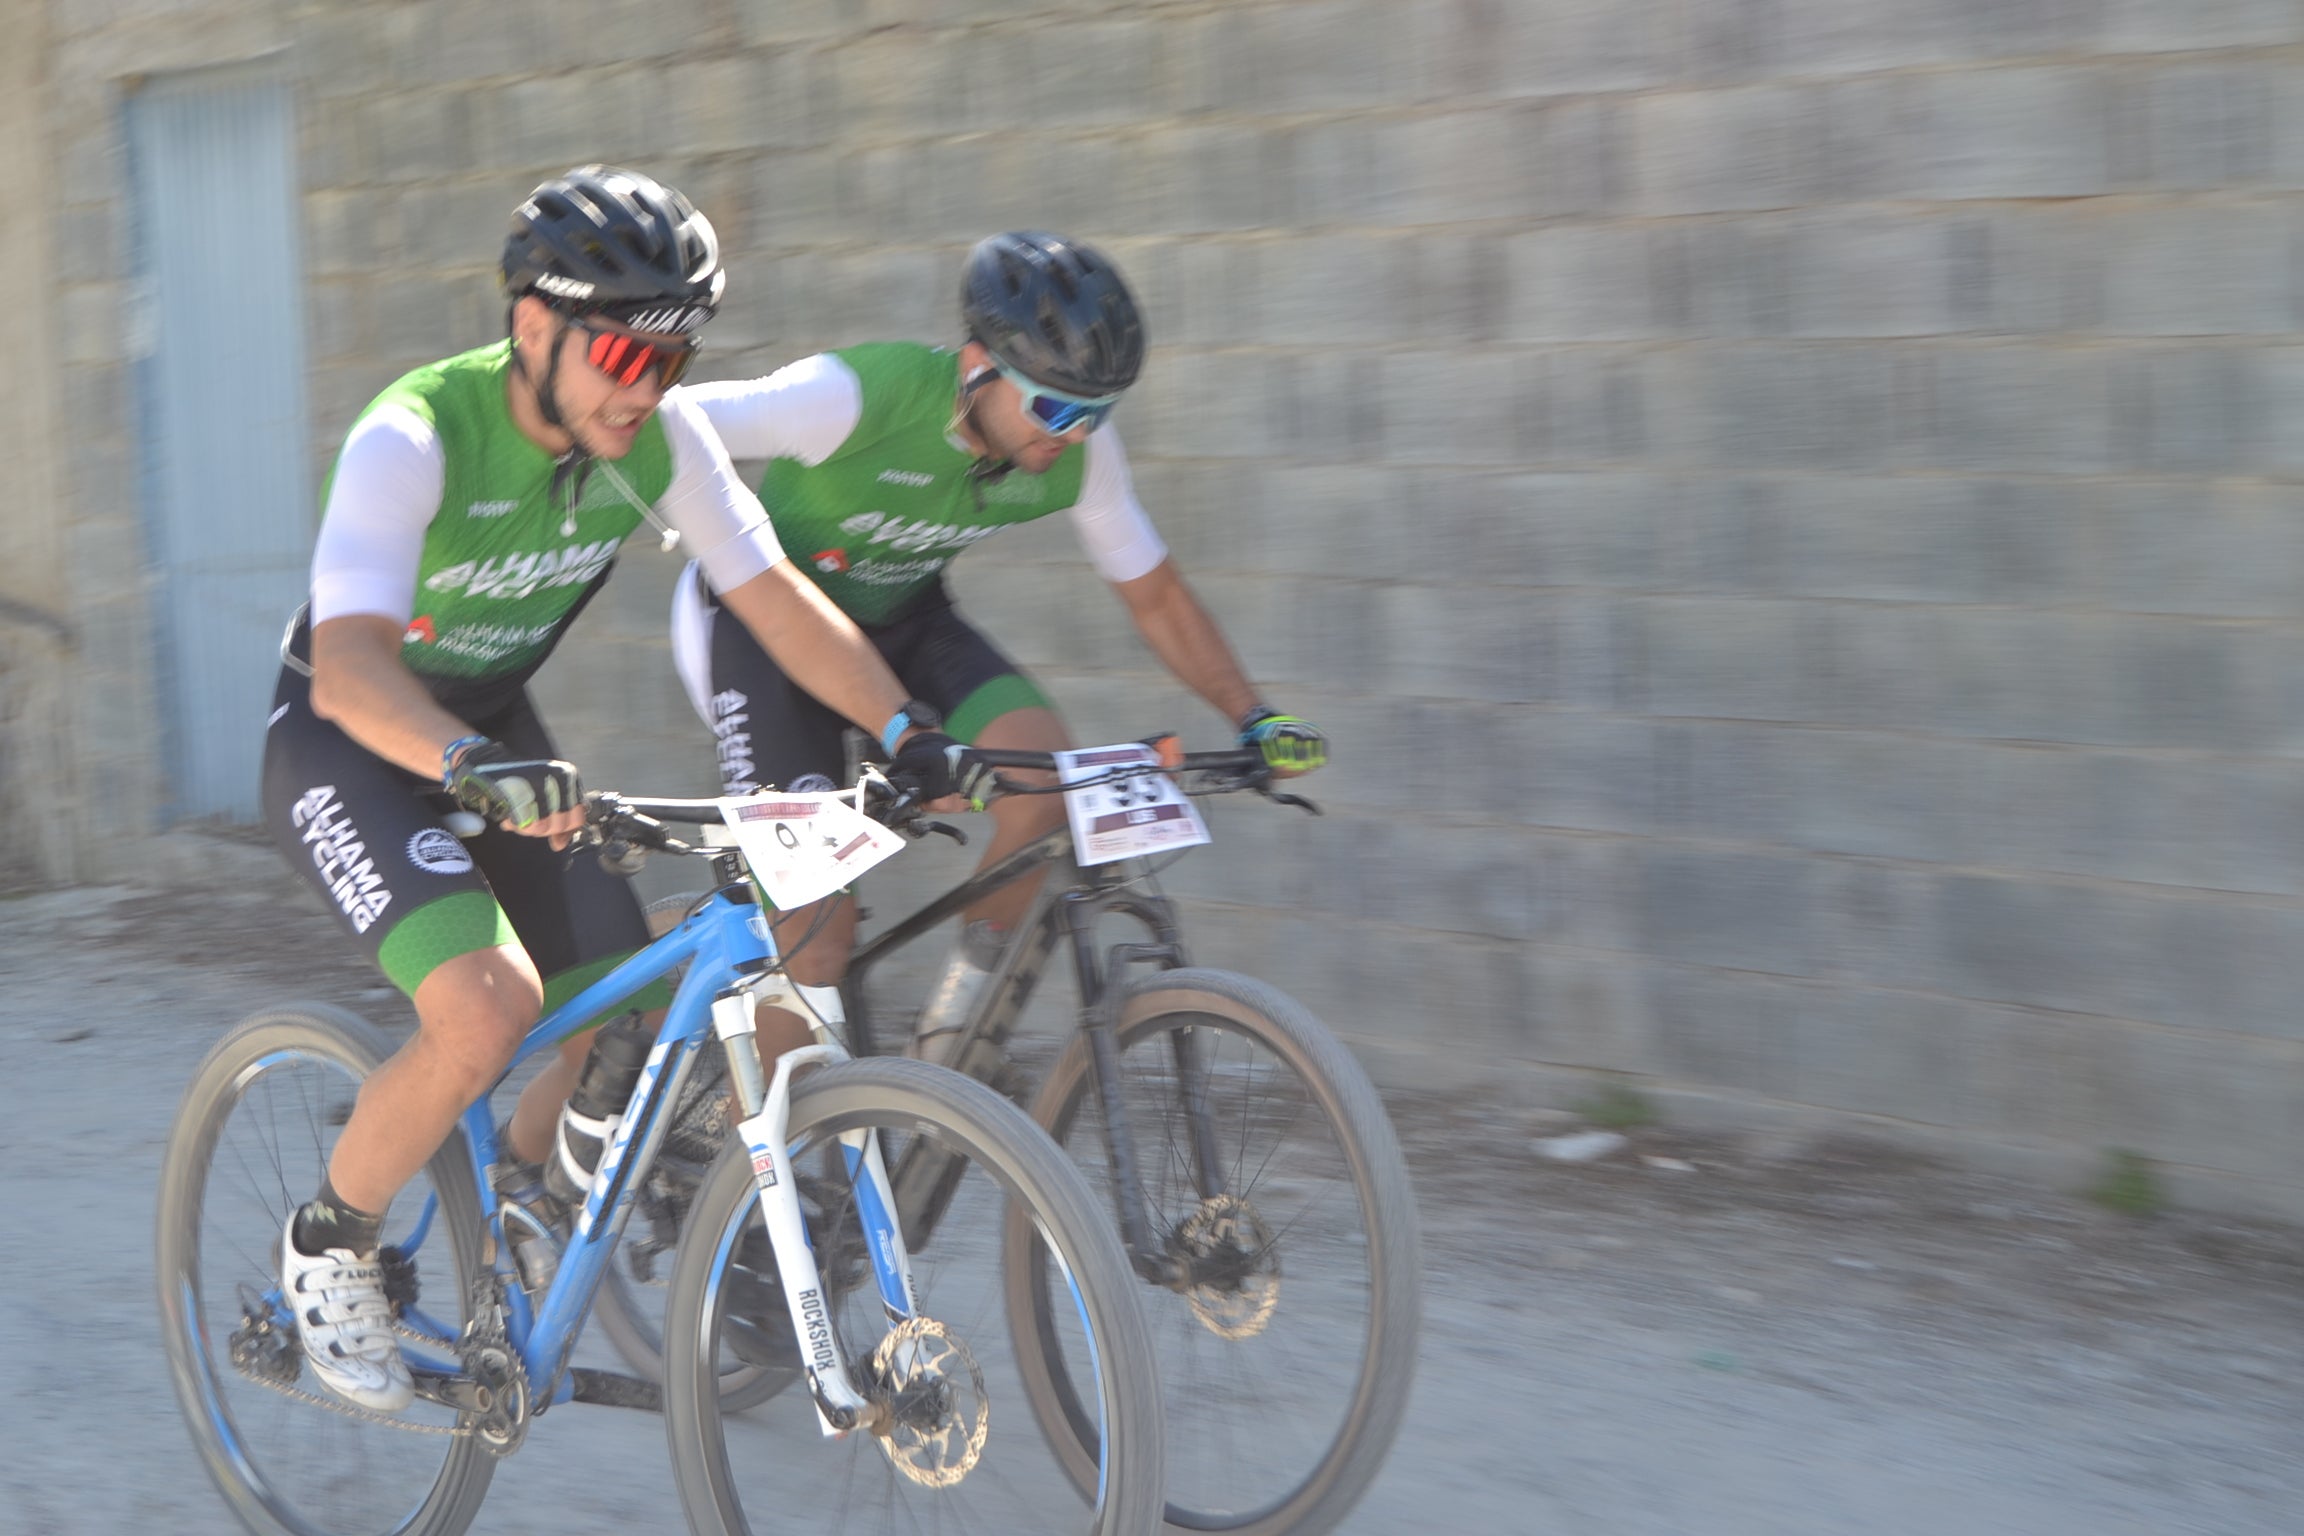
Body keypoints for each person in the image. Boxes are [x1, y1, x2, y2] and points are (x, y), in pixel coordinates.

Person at [257, 165, 969, 1411]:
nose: (654, 391)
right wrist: (469, 766)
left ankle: (524, 1207)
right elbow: (354, 668)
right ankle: (329, 1245)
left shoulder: (658, 440)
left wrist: (907, 726)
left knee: (623, 1016)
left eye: (677, 359)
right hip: (352, 740)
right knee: (484, 1011)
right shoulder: (411, 435)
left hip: (493, 741)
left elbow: (773, 598)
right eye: (627, 359)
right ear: (533, 329)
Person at [668, 230, 1327, 1066]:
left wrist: (1252, 715)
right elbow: (666, 422)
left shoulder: (1077, 455)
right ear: (979, 365)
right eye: (1054, 408)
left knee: (1043, 784)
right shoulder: (855, 396)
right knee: (817, 931)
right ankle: (770, 1174)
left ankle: (951, 1043)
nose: (1076, 434)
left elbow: (1154, 591)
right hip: (755, 629)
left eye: (1097, 412)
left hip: (906, 620)